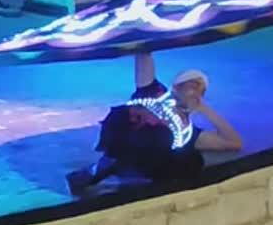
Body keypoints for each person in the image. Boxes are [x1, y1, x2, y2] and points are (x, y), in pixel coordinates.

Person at [67, 52, 242, 195]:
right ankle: (101, 170)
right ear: (178, 86)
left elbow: (233, 143)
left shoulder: (187, 132)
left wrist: (204, 109)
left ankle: (117, 172)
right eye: (193, 84)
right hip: (123, 140)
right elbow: (144, 53)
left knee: (189, 157)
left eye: (200, 90)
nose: (195, 91)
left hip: (147, 161)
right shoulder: (153, 92)